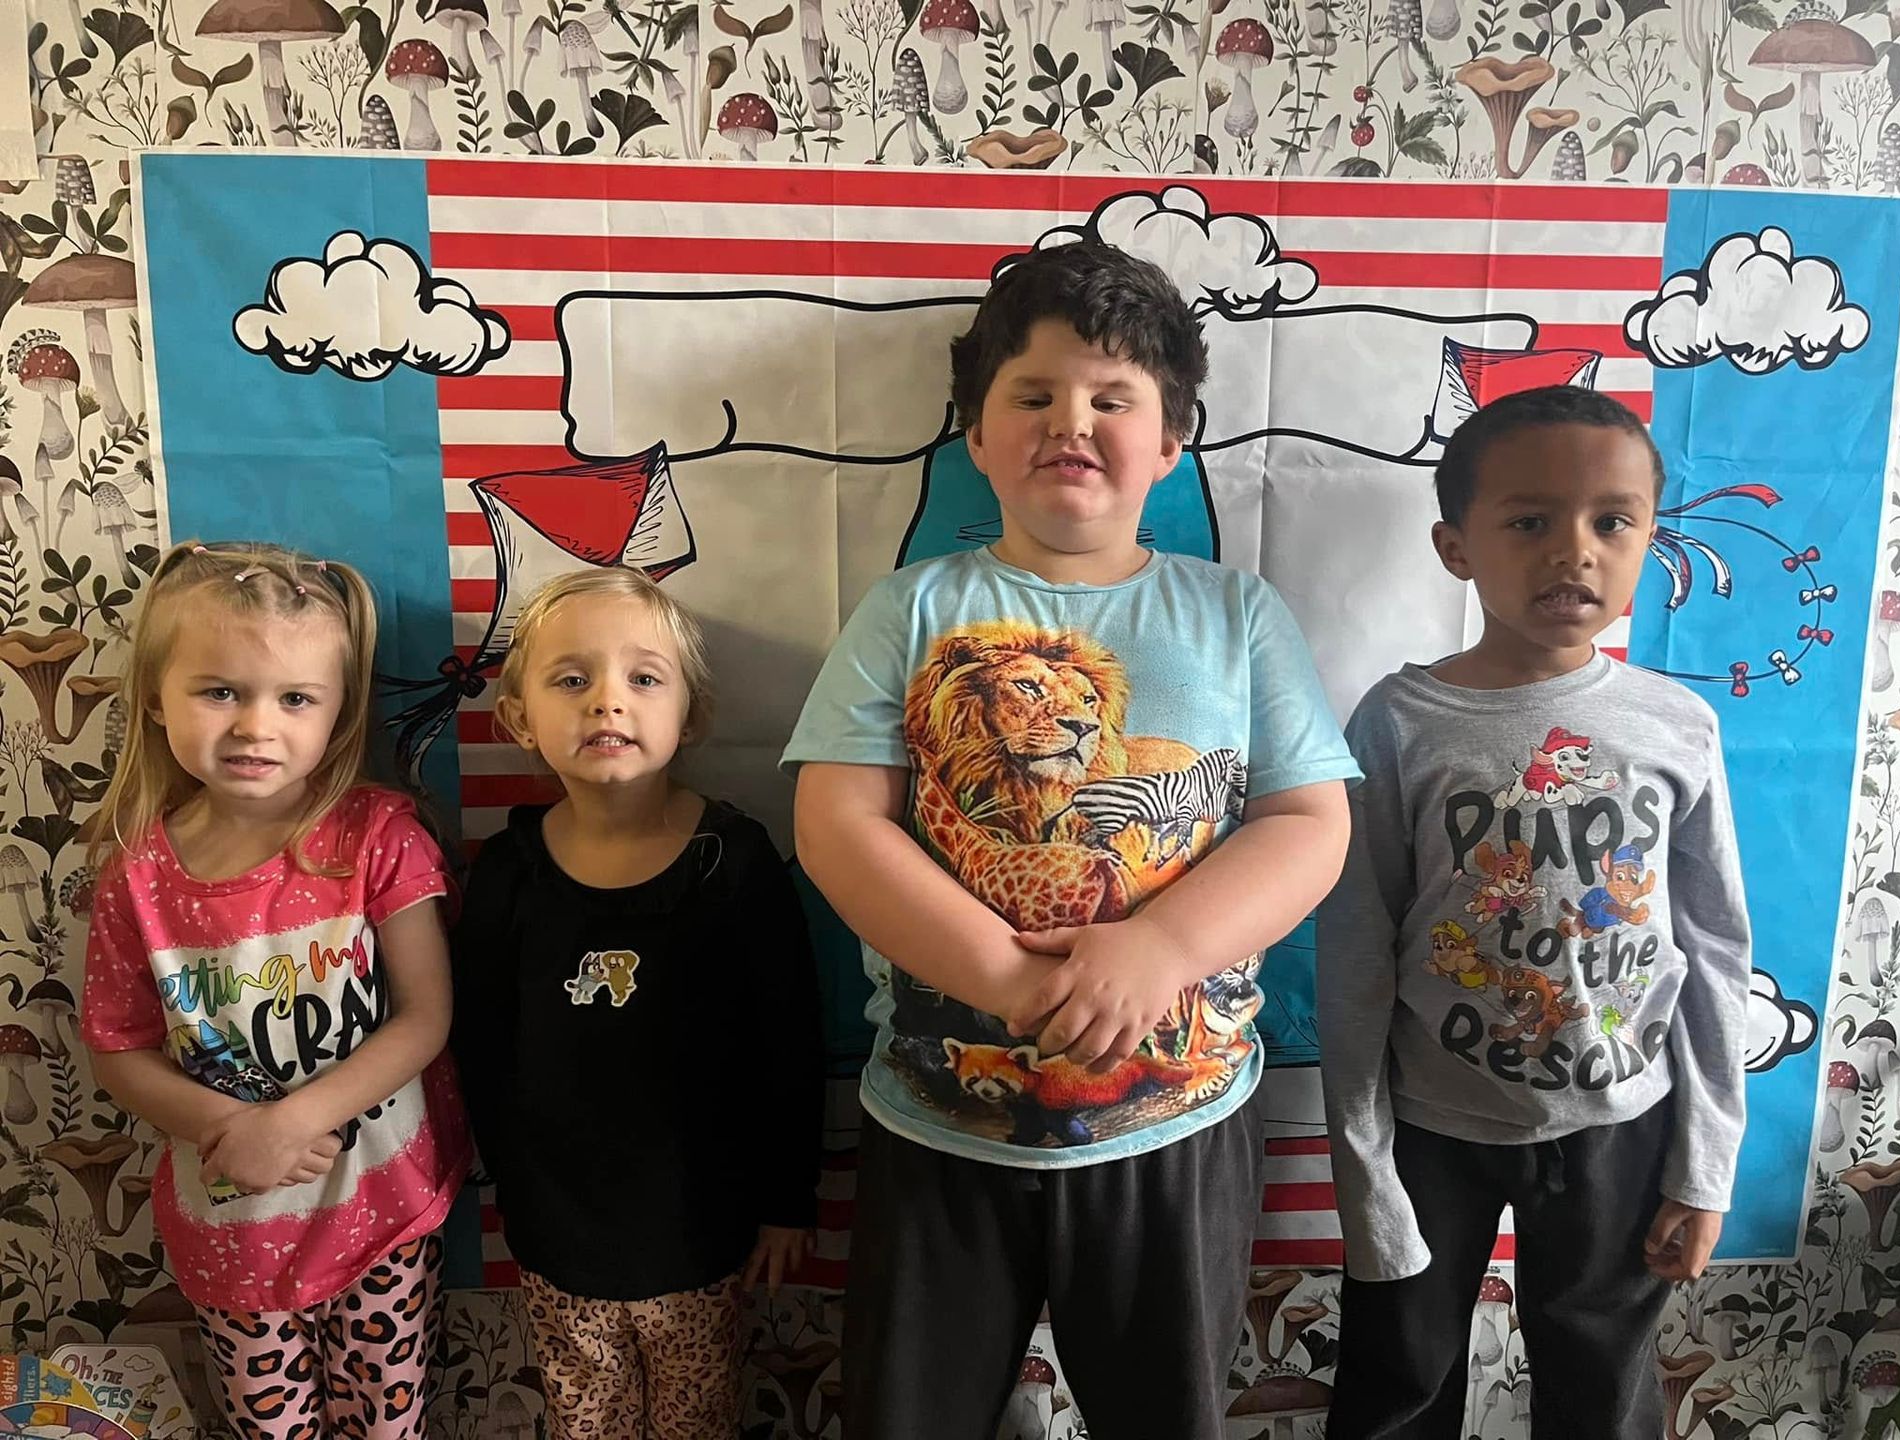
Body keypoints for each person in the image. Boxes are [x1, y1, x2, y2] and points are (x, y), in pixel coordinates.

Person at [783, 239, 1358, 1440]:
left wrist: (1157, 952)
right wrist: (999, 977)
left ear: (1172, 440)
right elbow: (839, 822)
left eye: (1114, 398)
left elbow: (1309, 826)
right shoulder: (912, 609)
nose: (1072, 423)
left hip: (1179, 1124)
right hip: (940, 1121)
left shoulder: (1238, 614)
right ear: (976, 436)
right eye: (1032, 396)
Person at [1318, 385, 1753, 1438]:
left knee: (1601, 1387)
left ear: (1651, 536)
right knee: (1399, 1380)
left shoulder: (1675, 724)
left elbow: (1712, 948)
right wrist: (1365, 1167)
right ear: (1457, 545)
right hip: (1432, 1126)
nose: (1575, 551)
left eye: (1613, 521)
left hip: (1622, 1125)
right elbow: (1356, 951)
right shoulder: (1399, 720)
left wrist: (1706, 1164)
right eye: (1529, 521)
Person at [80, 539, 469, 1440]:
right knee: (270, 1429)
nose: (257, 726)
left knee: (385, 1427)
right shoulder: (135, 874)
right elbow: (116, 1047)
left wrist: (292, 1121)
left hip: (380, 1208)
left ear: (338, 715)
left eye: (295, 699)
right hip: (231, 1220)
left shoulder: (379, 838)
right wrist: (230, 1131)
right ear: (156, 696)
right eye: (221, 691)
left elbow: (425, 1016)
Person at [451, 567, 822, 1440]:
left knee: (695, 1422)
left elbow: (790, 1034)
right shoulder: (507, 874)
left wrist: (788, 1200)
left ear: (688, 716)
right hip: (556, 1234)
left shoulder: (732, 860)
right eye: (572, 680)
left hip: (705, 1229)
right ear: (518, 720)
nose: (607, 703)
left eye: (643, 679)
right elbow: (482, 1044)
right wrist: (512, 1185)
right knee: (589, 1419)